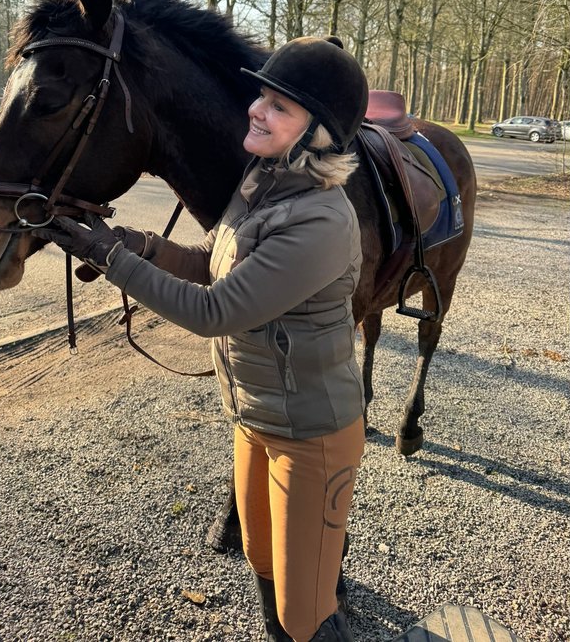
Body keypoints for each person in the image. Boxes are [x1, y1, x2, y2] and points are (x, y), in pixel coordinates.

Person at [34, 36, 370, 642]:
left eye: (279, 106)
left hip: (312, 438)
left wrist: (111, 259)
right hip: (254, 419)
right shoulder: (262, 183)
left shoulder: (321, 219)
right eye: (261, 95)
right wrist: (138, 245)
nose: (256, 109)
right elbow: (210, 263)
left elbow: (218, 310)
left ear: (317, 135)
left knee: (307, 614)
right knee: (260, 562)